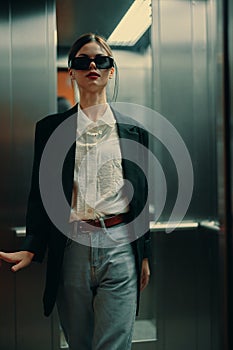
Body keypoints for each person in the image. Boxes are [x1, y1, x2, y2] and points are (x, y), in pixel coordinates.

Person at [0, 33, 151, 350]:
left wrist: (145, 255)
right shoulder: (51, 129)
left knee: (114, 343)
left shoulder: (135, 132)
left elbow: (140, 198)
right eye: (83, 61)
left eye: (102, 60)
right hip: (72, 246)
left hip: (121, 244)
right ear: (71, 71)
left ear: (111, 70)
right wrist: (33, 246)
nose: (93, 65)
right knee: (80, 343)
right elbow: (40, 193)